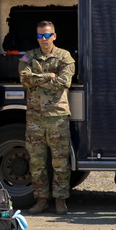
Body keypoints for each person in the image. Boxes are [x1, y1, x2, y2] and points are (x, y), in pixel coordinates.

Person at [19, 21, 76, 215]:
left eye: (47, 35)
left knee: (60, 161)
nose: (44, 39)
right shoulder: (29, 56)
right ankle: (41, 200)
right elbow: (24, 79)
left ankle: (61, 200)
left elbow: (64, 82)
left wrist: (38, 79)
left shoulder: (64, 56)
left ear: (54, 36)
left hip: (57, 117)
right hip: (35, 117)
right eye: (40, 36)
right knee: (36, 161)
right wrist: (49, 76)